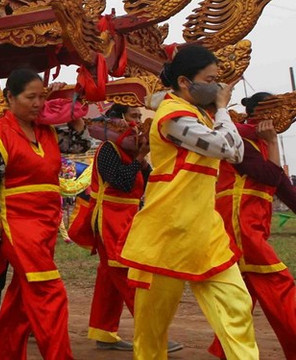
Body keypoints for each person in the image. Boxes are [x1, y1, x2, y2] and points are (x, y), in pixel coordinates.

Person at [119, 44, 258, 359]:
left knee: (237, 306)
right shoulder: (173, 117)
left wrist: (218, 110)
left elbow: (232, 149)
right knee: (152, 329)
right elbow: (231, 150)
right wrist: (223, 108)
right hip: (167, 231)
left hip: (203, 230)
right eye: (211, 79)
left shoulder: (197, 113)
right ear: (185, 82)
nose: (218, 86)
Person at [0, 68, 91, 360]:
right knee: (49, 293)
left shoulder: (47, 130)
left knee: (21, 301)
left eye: (42, 97)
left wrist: (71, 109)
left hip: (47, 222)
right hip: (18, 223)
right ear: (9, 97)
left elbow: (80, 143)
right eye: (31, 97)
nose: (38, 103)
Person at [82, 104, 184, 353]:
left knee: (109, 278)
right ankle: (152, 336)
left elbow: (148, 181)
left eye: (140, 117)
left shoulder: (131, 149)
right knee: (128, 275)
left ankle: (104, 333)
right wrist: (139, 158)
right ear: (118, 119)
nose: (138, 121)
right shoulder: (108, 148)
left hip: (127, 217)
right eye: (133, 116)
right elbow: (122, 182)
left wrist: (144, 157)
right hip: (110, 219)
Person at [207, 92, 296, 359]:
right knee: (278, 284)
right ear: (263, 115)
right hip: (240, 226)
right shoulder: (239, 138)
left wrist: (270, 141)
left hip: (248, 224)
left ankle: (226, 351)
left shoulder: (259, 141)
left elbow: (282, 186)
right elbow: (270, 175)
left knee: (240, 297)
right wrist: (273, 141)